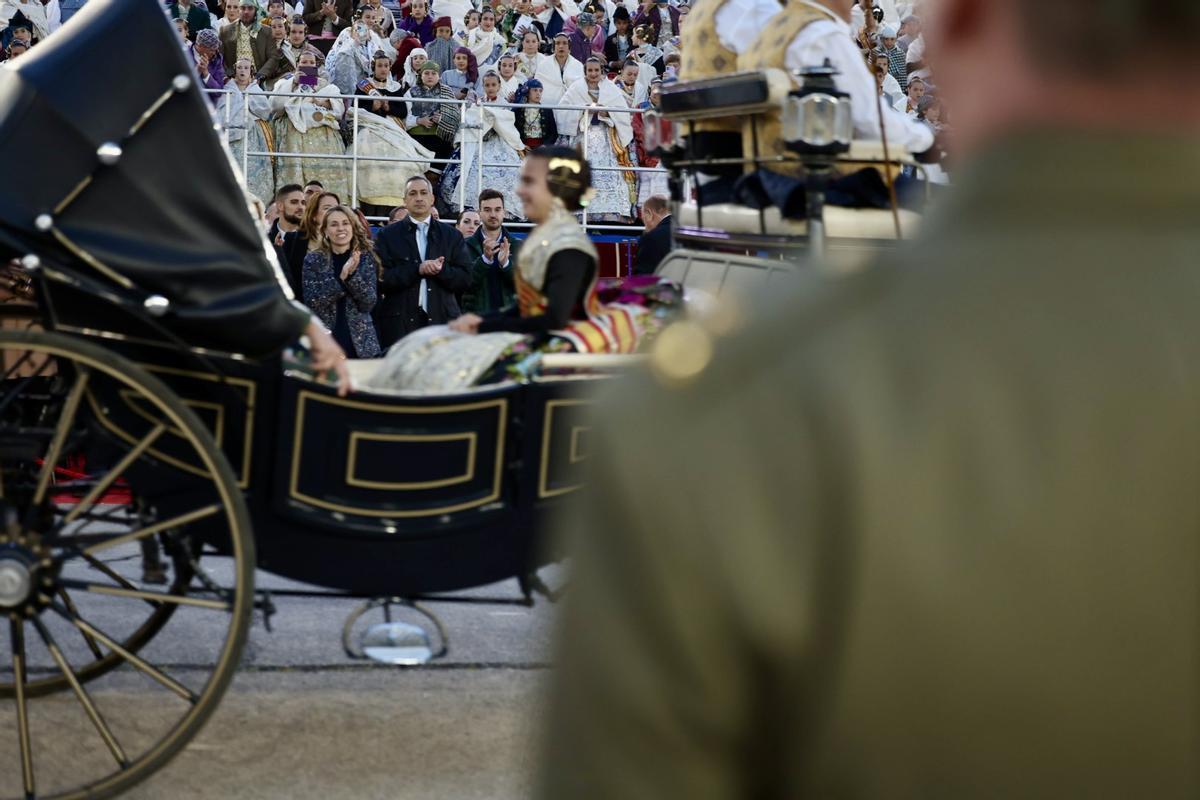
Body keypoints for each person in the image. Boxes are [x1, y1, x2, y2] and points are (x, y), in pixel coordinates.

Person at [538, 0, 1200, 796]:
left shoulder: (718, 415)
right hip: (809, 206)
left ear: (960, 23)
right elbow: (877, 139)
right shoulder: (813, 35)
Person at [368, 147, 675, 393]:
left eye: (529, 182)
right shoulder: (543, 239)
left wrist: (483, 326)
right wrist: (478, 321)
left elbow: (554, 318)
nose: (520, 191)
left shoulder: (566, 244)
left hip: (556, 364)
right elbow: (527, 307)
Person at [735, 0, 934, 181]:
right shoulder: (824, 35)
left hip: (763, 176)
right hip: (815, 180)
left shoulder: (767, 31)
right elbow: (871, 122)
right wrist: (928, 138)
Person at [372, 175, 472, 346]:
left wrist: (441, 270)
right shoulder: (387, 235)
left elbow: (465, 279)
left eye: (423, 193)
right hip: (399, 324)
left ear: (432, 198)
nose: (418, 198)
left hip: (443, 322)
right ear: (404, 200)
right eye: (413, 193)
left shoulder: (451, 235)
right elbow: (381, 279)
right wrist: (417, 269)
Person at [352, 50, 434, 214]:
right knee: (365, 150)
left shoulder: (395, 87)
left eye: (386, 66)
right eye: (380, 66)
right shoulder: (364, 85)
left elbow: (402, 111)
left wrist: (388, 106)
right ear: (374, 67)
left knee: (403, 157)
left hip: (392, 126)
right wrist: (372, 107)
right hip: (370, 125)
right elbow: (356, 108)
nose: (383, 69)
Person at [441, 71, 527, 219]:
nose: (491, 88)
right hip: (478, 141)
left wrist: (493, 122)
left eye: (494, 84)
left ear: (499, 85)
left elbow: (506, 123)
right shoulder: (478, 102)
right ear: (483, 86)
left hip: (499, 141)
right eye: (487, 85)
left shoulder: (504, 104)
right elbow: (471, 119)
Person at [558, 57, 636, 222]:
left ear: (601, 71)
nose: (593, 74)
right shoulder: (576, 88)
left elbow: (622, 112)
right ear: (585, 71)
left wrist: (607, 113)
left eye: (596, 70)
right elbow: (563, 110)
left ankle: (609, 213)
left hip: (605, 137)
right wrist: (581, 111)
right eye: (590, 70)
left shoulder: (610, 89)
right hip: (582, 135)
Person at [270, 51, 351, 206]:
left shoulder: (325, 85)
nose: (307, 66)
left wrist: (321, 102)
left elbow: (338, 110)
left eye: (311, 63)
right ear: (297, 64)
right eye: (304, 62)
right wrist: (294, 83)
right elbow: (275, 107)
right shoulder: (285, 83)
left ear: (316, 66)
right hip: (295, 133)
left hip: (323, 135)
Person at [302, 205, 382, 358]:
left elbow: (368, 303)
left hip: (361, 343)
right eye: (334, 224)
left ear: (352, 227)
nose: (340, 228)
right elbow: (313, 302)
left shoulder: (365, 258)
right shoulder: (313, 259)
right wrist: (342, 278)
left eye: (345, 223)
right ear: (325, 230)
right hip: (325, 340)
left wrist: (351, 277)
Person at [217, 58, 275, 208]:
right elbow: (222, 111)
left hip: (253, 134)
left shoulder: (255, 90)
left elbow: (265, 111)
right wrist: (242, 104)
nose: (243, 71)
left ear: (251, 72)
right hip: (231, 133)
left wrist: (247, 102)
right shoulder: (228, 89)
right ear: (235, 70)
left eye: (246, 68)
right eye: (240, 68)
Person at [462, 188, 521, 315]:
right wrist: (485, 260)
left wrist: (506, 264)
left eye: (497, 209)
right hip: (477, 322)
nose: (493, 214)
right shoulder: (465, 246)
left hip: (510, 322)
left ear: (504, 212)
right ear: (479, 213)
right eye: (487, 210)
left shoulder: (518, 246)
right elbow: (463, 284)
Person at [325, 5, 394, 94]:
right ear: (359, 18)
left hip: (369, 82)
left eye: (373, 18)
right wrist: (354, 42)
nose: (371, 21)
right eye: (367, 17)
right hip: (351, 77)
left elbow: (382, 58)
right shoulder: (347, 32)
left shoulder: (374, 37)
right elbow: (341, 55)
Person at [404, 61, 462, 164]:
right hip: (416, 140)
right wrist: (418, 121)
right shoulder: (410, 93)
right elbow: (403, 117)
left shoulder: (447, 92)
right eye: (426, 73)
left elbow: (456, 117)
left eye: (433, 73)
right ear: (420, 76)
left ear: (438, 76)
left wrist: (442, 119)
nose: (430, 76)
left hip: (441, 140)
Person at [256, 15, 325, 90]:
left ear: (305, 34)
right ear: (288, 32)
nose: (297, 36)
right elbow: (271, 76)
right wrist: (293, 79)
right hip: (282, 88)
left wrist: (302, 79)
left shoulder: (314, 52)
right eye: (293, 32)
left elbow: (322, 77)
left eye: (300, 32)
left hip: (309, 87)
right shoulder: (278, 50)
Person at [535, 32, 584, 133]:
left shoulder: (578, 66)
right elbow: (538, 87)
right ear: (553, 47)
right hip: (549, 107)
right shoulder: (543, 64)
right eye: (557, 43)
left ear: (569, 47)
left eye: (564, 43)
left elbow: (581, 89)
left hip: (571, 108)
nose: (561, 46)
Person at [268, 183, 306, 295]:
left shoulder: (313, 240)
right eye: (294, 202)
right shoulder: (263, 241)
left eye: (303, 203)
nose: (301, 207)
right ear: (280, 206)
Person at [220, 0, 274, 73]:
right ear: (238, 10)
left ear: (256, 11)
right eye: (243, 8)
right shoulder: (225, 31)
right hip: (233, 78)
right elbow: (219, 58)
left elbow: (273, 57)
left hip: (259, 78)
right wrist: (227, 76)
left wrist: (259, 76)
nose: (246, 12)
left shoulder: (266, 31)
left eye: (250, 8)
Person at [514, 79, 558, 150]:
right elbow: (514, 129)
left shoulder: (547, 110)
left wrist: (545, 146)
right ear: (528, 92)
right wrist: (521, 145)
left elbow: (553, 133)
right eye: (535, 90)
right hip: (523, 146)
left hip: (542, 147)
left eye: (540, 91)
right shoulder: (519, 110)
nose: (538, 93)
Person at [632, 194, 670, 274]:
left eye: (644, 220)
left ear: (649, 213)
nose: (645, 227)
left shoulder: (651, 238)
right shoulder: (691, 232)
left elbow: (642, 279)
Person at [189, 28, 227, 93]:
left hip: (208, 101)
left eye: (216, 49)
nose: (214, 53)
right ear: (200, 46)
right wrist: (197, 71)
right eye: (212, 50)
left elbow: (219, 91)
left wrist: (206, 74)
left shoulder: (218, 58)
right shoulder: (183, 54)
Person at [603, 6, 633, 70]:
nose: (621, 26)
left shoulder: (633, 38)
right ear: (615, 23)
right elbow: (606, 60)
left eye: (624, 23)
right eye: (619, 23)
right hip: (616, 71)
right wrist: (614, 63)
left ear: (628, 23)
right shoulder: (610, 39)